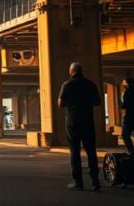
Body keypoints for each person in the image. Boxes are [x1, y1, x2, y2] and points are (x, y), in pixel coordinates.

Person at [58, 62, 102, 191]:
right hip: (87, 121)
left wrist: (71, 102)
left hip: (72, 122)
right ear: (81, 71)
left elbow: (60, 103)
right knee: (91, 151)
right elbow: (97, 102)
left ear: (71, 71)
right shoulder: (90, 84)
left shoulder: (67, 84)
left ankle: (78, 182)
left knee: (75, 151)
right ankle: (95, 181)